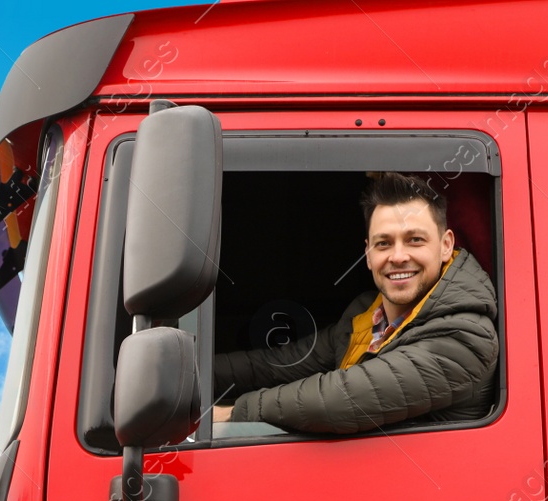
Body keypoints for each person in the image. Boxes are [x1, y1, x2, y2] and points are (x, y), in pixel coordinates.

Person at [211, 172, 499, 435]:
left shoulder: (466, 336)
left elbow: (338, 399)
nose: (397, 256)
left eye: (414, 240)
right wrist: (189, 373)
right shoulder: (367, 313)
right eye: (383, 243)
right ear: (368, 253)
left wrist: (234, 413)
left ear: (446, 245)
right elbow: (276, 364)